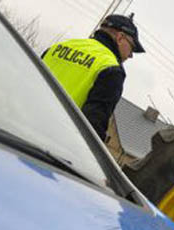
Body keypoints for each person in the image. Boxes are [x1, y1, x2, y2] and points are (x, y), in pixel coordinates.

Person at [42, 13, 145, 141]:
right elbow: (92, 126)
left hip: (17, 126)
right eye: (132, 47)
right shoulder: (111, 69)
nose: (130, 55)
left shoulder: (58, 47)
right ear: (120, 38)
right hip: (51, 142)